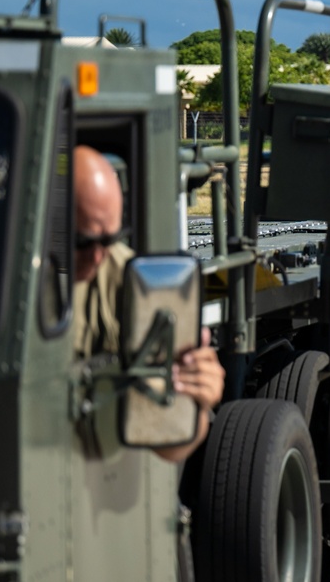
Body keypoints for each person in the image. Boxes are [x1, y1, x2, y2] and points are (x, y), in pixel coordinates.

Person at [73, 144, 224, 460]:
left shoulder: (129, 283)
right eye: (84, 241)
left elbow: (172, 446)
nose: (98, 256)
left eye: (109, 239)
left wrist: (197, 401)